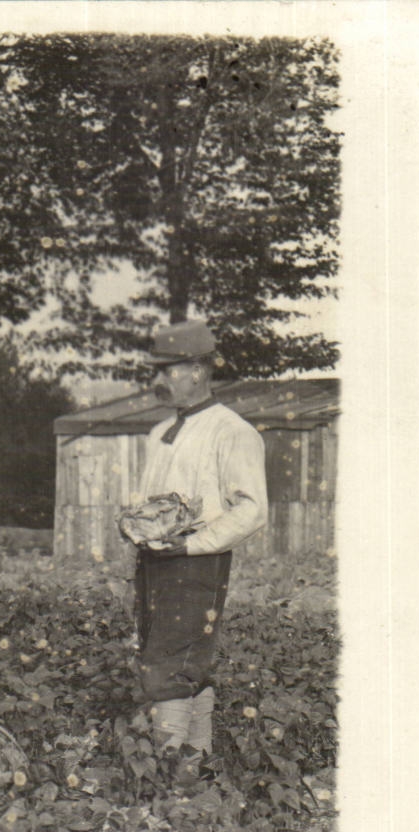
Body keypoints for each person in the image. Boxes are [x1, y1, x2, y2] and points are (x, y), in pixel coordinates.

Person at [130, 319, 267, 769]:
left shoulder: (232, 431)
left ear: (196, 370)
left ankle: (166, 773)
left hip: (195, 565)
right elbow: (150, 503)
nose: (158, 380)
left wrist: (192, 545)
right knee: (173, 657)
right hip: (155, 563)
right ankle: (196, 767)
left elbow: (251, 510)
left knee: (171, 662)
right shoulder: (160, 433)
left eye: (167, 370)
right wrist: (135, 525)